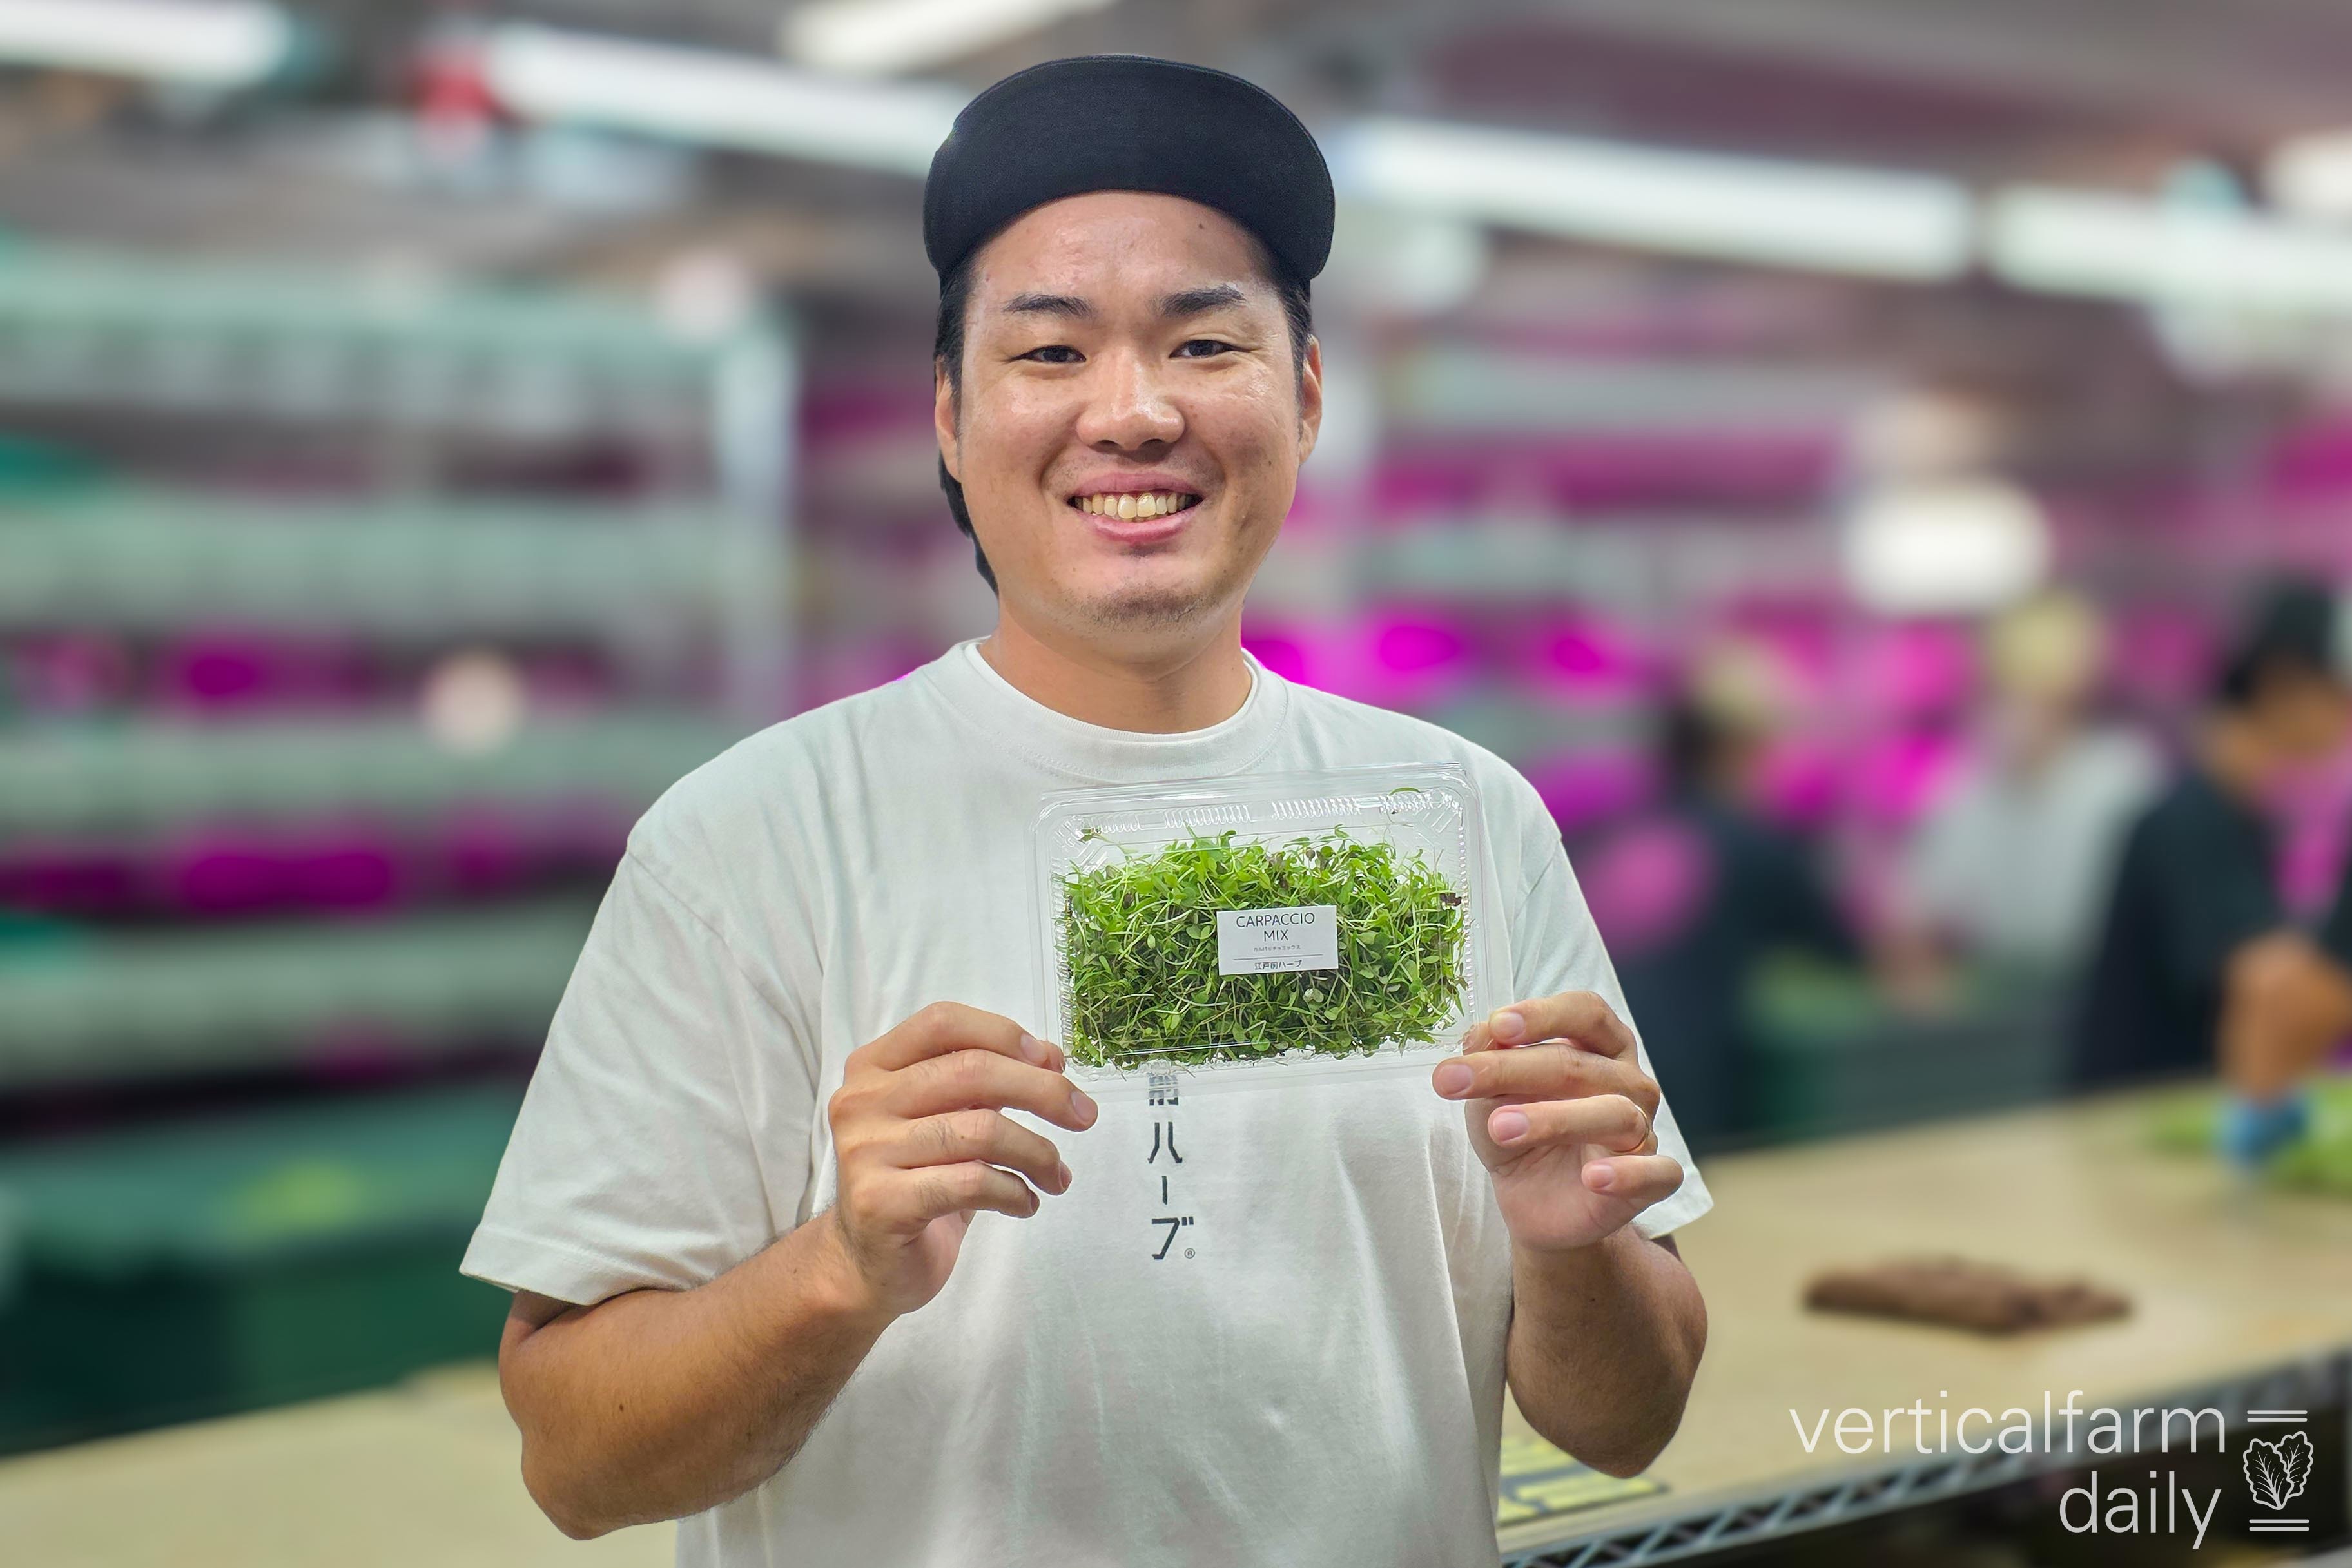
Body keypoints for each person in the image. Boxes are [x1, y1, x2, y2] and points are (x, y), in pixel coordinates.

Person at [462, 55, 1713, 1567]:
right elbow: (578, 1463)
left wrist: (1573, 1249)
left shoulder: (1461, 822)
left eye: (1204, 342)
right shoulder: (749, 841)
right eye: (1050, 351)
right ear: (950, 415)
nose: (1131, 411)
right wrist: (837, 1271)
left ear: (1306, 396)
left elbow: (1628, 1419)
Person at [2072, 577, 2352, 1163]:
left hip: (2172, 1127)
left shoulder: (2249, 814)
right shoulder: (2192, 821)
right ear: (2283, 686)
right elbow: (2267, 980)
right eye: (2340, 693)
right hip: (2127, 1134)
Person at [1602, 642, 1859, 1149]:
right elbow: (1846, 951)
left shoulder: (1629, 831)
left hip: (1606, 1070)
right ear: (1738, 746)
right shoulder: (1755, 845)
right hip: (1696, 1088)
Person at [1896, 592, 2161, 980]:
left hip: (2100, 985)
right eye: (2005, 692)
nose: (2017, 710)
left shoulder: (2123, 779)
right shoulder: (1962, 785)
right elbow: (1918, 919)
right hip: (1992, 991)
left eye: (2038, 694)